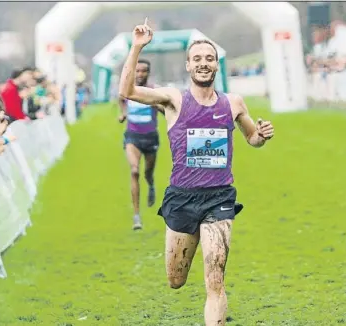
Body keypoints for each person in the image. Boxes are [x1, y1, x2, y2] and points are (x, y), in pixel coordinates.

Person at [119, 20, 275, 326]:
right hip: (181, 198)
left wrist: (262, 135)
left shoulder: (233, 103)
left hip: (219, 197)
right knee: (175, 279)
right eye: (198, 59)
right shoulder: (173, 99)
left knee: (215, 280)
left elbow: (252, 139)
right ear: (188, 65)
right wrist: (137, 46)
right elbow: (127, 90)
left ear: (217, 65)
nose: (204, 64)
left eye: (209, 59)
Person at [118, 58, 162, 230]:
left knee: (147, 173)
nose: (140, 74)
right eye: (138, 70)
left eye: (144, 71)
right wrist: (123, 114)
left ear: (148, 73)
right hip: (133, 136)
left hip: (151, 137)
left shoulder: (153, 91)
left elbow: (164, 105)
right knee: (134, 170)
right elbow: (121, 100)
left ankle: (150, 185)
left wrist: (162, 110)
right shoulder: (127, 88)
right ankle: (136, 216)